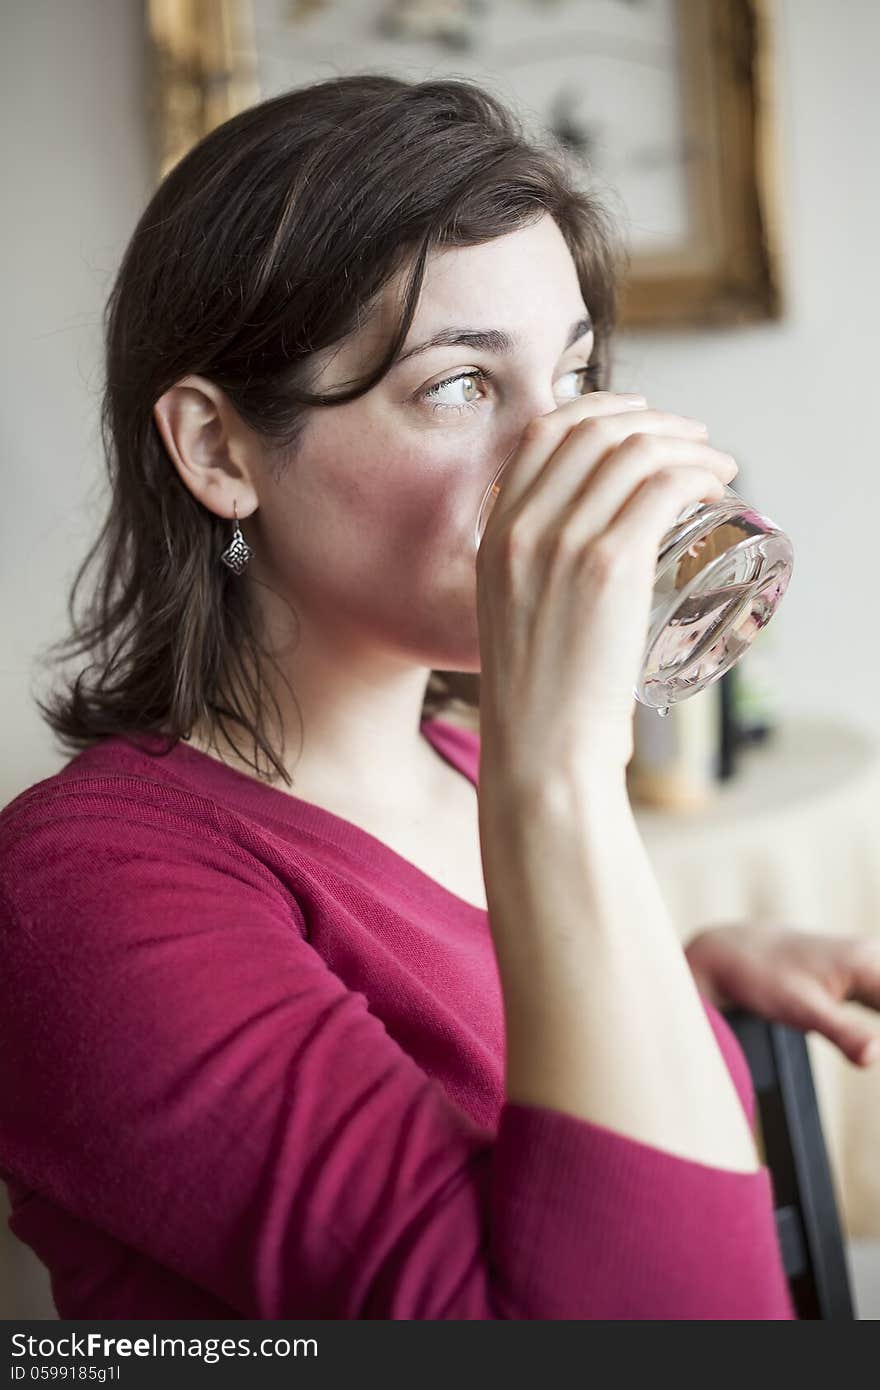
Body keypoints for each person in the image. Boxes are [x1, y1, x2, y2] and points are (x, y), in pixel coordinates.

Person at [1, 74, 877, 1321]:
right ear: (218, 451)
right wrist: (562, 766)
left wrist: (697, 987)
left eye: (569, 378)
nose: (557, 459)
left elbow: (479, 1043)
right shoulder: (74, 894)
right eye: (459, 386)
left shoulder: (455, 761)